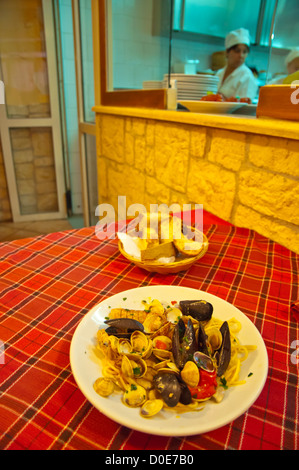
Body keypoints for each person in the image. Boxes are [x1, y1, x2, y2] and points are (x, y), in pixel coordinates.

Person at [216, 28, 258, 101]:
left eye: (244, 52)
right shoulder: (219, 74)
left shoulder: (247, 77)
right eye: (237, 51)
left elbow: (243, 105)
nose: (241, 55)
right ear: (227, 52)